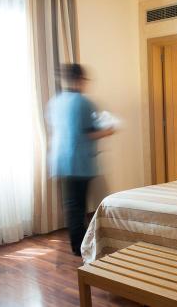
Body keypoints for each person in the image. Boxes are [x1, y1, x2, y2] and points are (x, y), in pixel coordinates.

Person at [47, 64, 114, 256]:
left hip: (60, 159)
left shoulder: (55, 101)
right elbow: (90, 132)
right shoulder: (83, 103)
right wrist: (109, 130)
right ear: (80, 80)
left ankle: (78, 243)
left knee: (71, 205)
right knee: (79, 206)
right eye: (85, 80)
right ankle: (80, 246)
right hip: (79, 160)